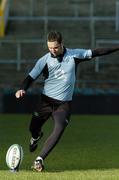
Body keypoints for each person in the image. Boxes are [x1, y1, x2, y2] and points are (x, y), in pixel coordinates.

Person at [15, 31, 119, 172]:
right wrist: (22, 89)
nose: (52, 50)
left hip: (63, 105)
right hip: (45, 102)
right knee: (33, 128)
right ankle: (35, 136)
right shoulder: (44, 60)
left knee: (59, 128)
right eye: (50, 47)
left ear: (62, 44)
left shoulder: (74, 55)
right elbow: (30, 77)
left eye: (55, 47)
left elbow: (97, 52)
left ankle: (39, 159)